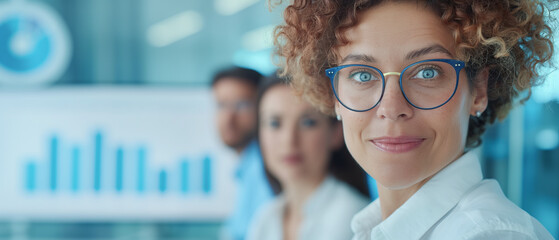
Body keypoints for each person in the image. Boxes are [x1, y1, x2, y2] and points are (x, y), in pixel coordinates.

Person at [273, 0, 555, 239]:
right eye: (362, 75)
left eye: (428, 72)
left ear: (478, 90)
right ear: (334, 96)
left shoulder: (487, 234)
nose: (392, 107)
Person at [247, 74, 370, 240]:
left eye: (308, 123)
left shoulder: (352, 218)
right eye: (274, 123)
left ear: (336, 133)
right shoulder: (266, 218)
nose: (289, 140)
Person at [211, 66, 273, 240]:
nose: (228, 118)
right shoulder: (247, 166)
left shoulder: (265, 167)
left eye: (242, 105)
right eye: (221, 105)